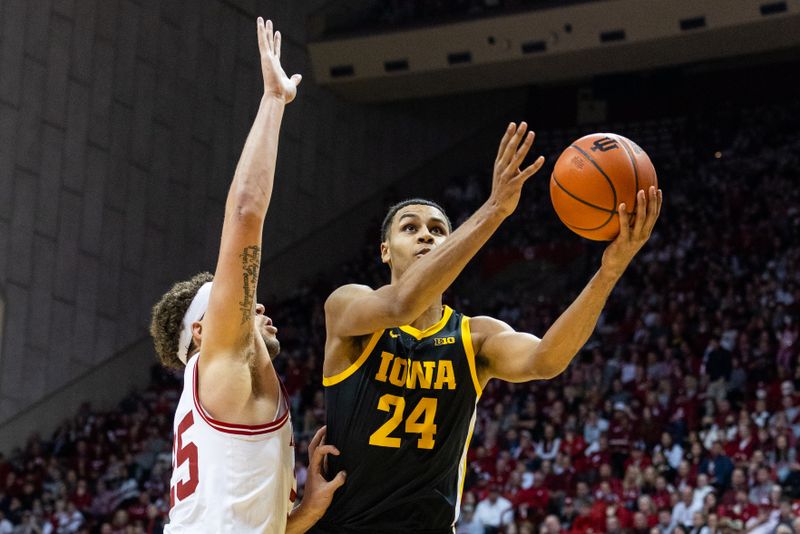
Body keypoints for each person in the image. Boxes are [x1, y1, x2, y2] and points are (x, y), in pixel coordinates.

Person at [312, 121, 662, 532]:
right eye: (411, 228)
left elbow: (546, 359)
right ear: (385, 251)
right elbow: (403, 304)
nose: (427, 235)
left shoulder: (475, 336)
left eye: (439, 230)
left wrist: (610, 270)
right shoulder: (348, 305)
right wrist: (495, 208)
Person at [149, 18, 343, 534]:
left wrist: (303, 514)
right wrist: (274, 102)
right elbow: (245, 215)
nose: (255, 304)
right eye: (232, 301)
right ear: (201, 330)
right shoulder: (222, 366)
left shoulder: (228, 387)